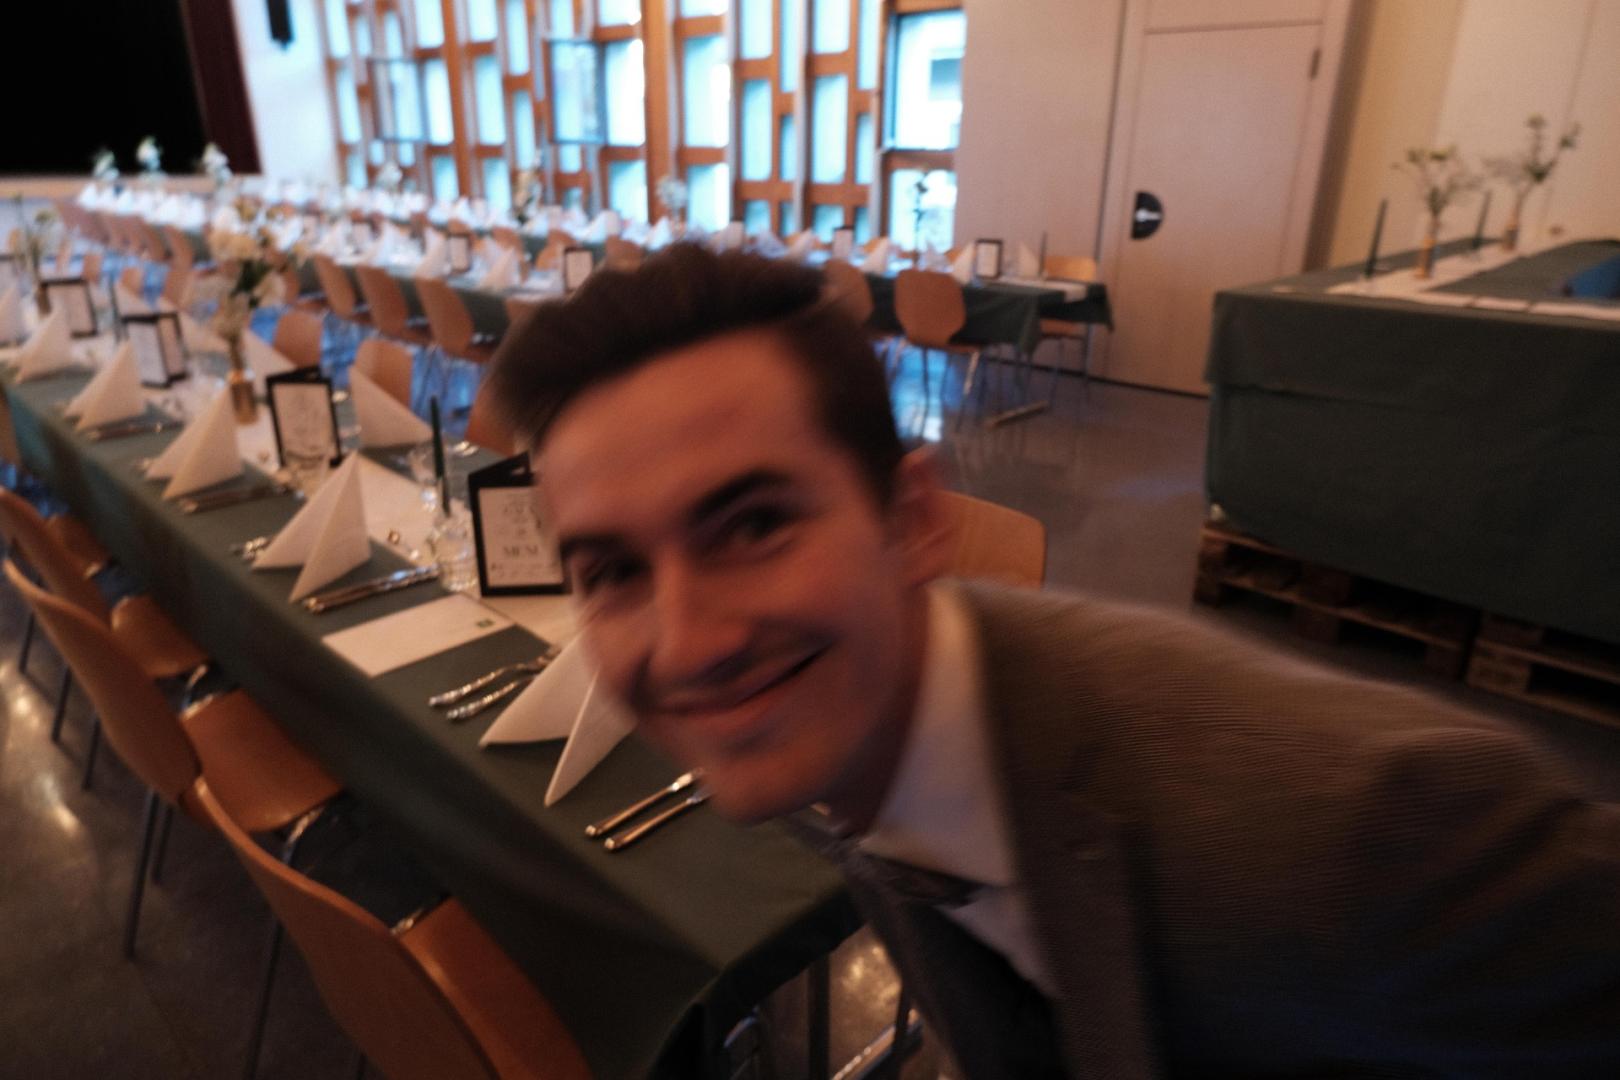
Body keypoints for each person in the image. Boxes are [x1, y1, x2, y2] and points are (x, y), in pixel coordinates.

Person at [488, 245, 1620, 1078]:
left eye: (755, 525)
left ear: (913, 521)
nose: (689, 641)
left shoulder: (1343, 824)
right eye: (613, 571)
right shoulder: (833, 728)